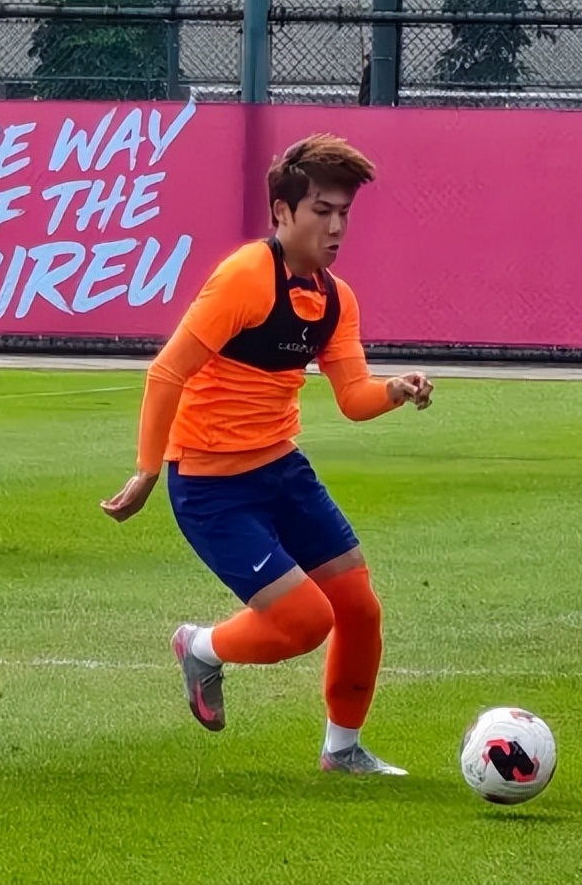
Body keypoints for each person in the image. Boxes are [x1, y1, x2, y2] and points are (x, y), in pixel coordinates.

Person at [101, 133, 434, 775]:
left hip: (281, 471)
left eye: (344, 213)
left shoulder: (336, 298)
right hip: (212, 488)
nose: (336, 228)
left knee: (359, 608)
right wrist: (146, 470)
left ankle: (343, 751)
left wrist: (393, 389)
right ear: (282, 211)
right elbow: (167, 371)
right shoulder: (246, 277)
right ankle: (201, 646)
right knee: (305, 621)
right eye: (321, 211)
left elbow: (353, 398)